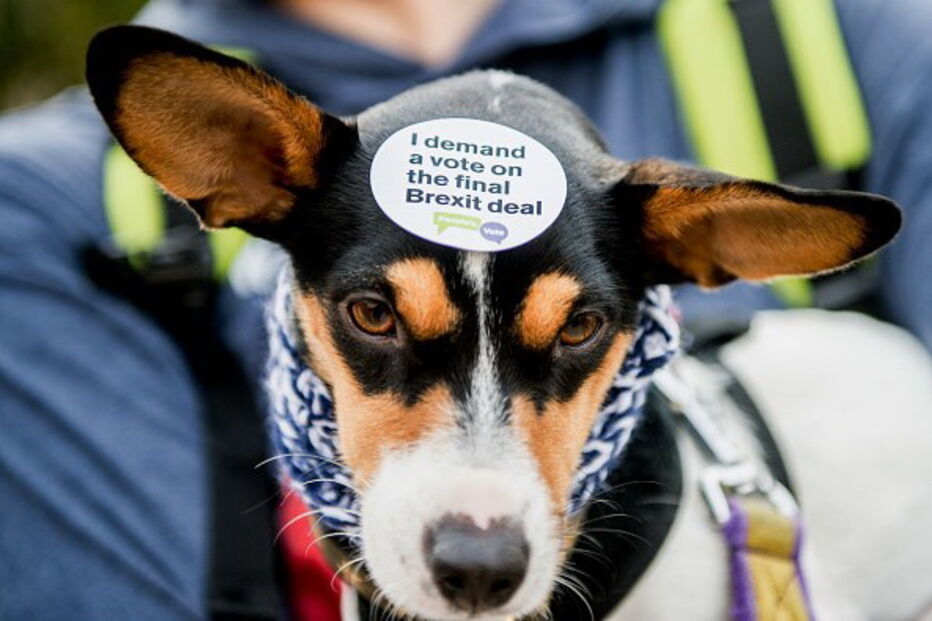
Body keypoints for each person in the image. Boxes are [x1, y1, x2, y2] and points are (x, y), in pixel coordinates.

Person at [1, 0, 931, 618]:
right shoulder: (33, 212)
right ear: (240, 160)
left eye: (575, 328)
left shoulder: (853, 40)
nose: (480, 513)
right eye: (376, 316)